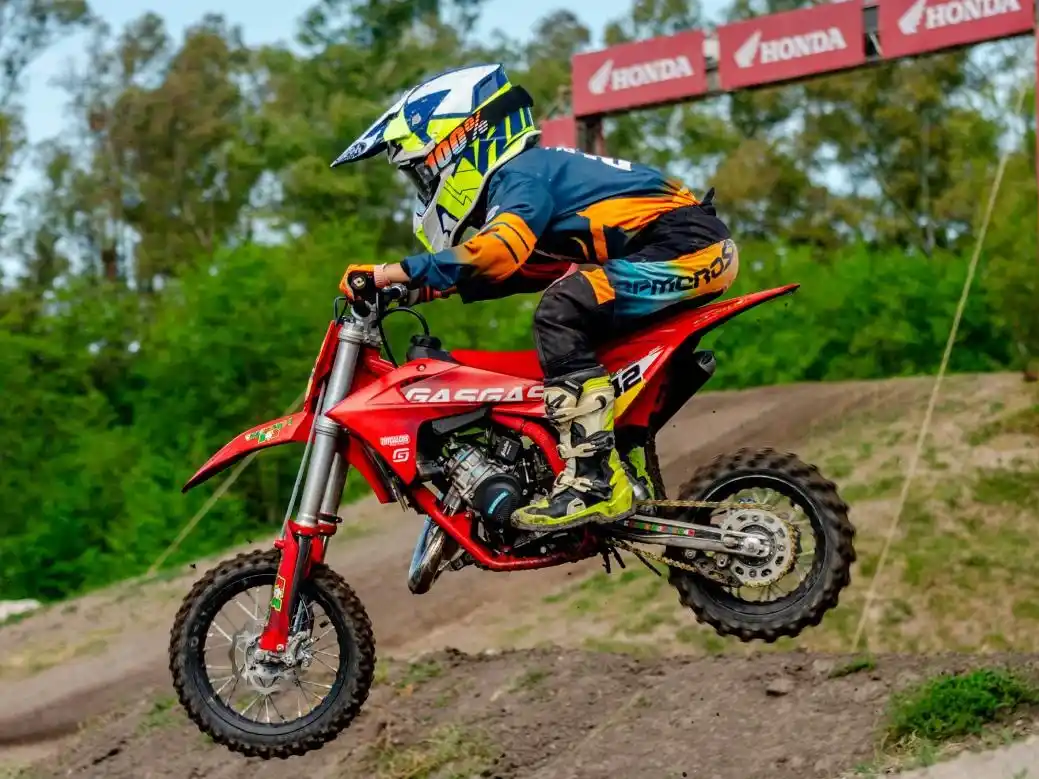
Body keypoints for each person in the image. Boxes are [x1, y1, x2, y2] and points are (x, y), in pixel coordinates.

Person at [332, 63, 739, 533]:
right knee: (570, 307)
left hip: (689, 249)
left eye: (421, 173)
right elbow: (527, 267)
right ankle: (612, 473)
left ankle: (596, 482)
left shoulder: (522, 175)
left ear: (457, 144)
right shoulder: (529, 178)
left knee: (561, 309)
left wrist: (390, 273)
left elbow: (499, 253)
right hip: (676, 250)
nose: (424, 190)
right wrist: (417, 287)